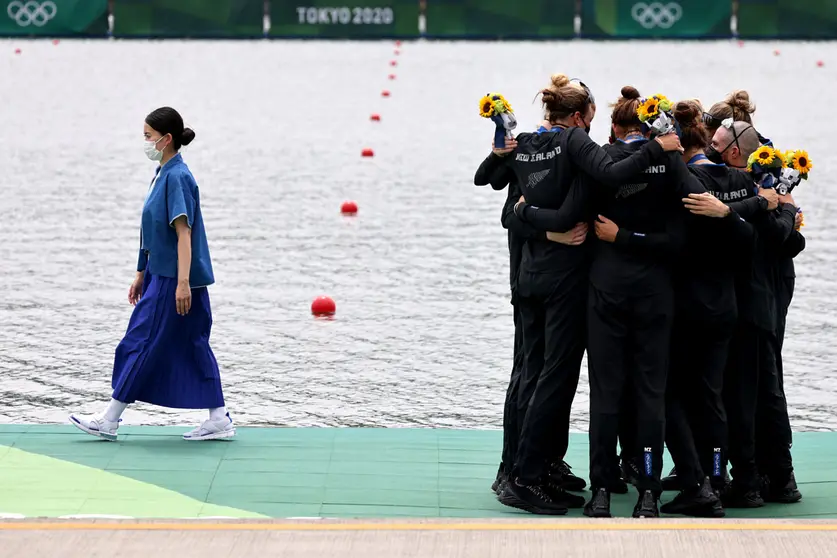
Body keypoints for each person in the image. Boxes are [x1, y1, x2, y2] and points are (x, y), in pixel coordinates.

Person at [497, 77, 683, 516]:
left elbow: (501, 196)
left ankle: (535, 469)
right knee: (553, 377)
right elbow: (610, 175)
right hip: (565, 282)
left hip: (532, 276)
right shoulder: (576, 142)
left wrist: (532, 217)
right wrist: (660, 148)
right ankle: (525, 474)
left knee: (536, 372)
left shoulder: (527, 143)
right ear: (580, 117)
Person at [69, 107, 234, 442]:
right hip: (165, 277)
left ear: (166, 138)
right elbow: (151, 230)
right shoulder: (163, 173)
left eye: (148, 136)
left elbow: (183, 233)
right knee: (192, 344)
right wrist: (140, 272)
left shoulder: (177, 178)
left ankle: (110, 418)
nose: (144, 142)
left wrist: (182, 284)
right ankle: (218, 418)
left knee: (140, 342)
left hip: (175, 280)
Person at [578, 87, 703, 519]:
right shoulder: (669, 163)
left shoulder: (602, 161)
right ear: (651, 128)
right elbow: (683, 236)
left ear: (614, 128)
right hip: (654, 294)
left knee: (606, 395)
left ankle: (601, 493)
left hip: (607, 293)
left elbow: (575, 208)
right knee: (650, 395)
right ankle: (649, 493)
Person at [660, 100, 755, 517]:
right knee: (712, 396)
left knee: (672, 395)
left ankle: (696, 478)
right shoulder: (741, 179)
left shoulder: (687, 180)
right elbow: (750, 236)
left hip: (688, 307)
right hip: (725, 305)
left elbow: (671, 241)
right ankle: (716, 478)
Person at [698, 120, 798, 507]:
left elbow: (787, 238)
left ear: (736, 153)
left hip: (750, 309)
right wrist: (782, 208)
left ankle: (754, 479)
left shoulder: (753, 189)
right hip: (756, 306)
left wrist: (781, 210)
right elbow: (788, 236)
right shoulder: (760, 191)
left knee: (747, 397)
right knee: (763, 393)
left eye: (717, 144)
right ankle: (775, 476)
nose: (711, 148)